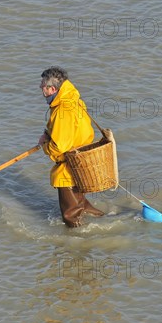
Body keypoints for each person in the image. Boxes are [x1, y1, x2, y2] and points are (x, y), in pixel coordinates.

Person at [38, 66, 105, 227]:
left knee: (71, 218)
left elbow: (59, 147)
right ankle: (104, 219)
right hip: (81, 163)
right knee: (82, 205)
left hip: (68, 169)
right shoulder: (73, 100)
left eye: (42, 86)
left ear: (52, 88)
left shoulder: (63, 110)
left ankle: (77, 248)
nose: (41, 89)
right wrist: (49, 134)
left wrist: (45, 145)